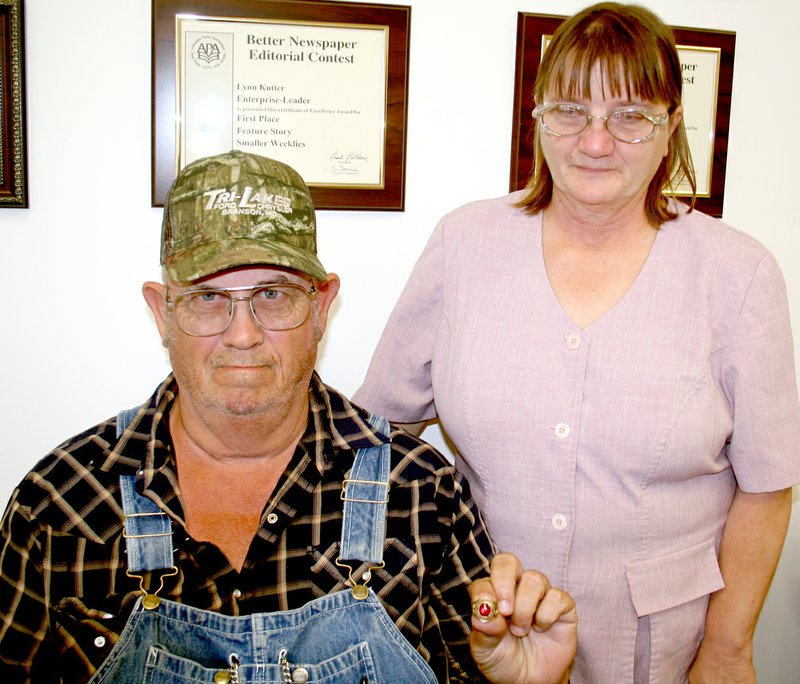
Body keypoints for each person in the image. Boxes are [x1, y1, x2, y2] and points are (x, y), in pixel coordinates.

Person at [0, 150, 577, 683]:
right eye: (206, 298)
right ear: (161, 311)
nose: (244, 335)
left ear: (322, 306)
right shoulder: (58, 505)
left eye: (274, 294)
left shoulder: (423, 494)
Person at [354, 3, 800, 683]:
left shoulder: (738, 276)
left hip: (662, 651)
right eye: (570, 110)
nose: (596, 142)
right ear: (536, 116)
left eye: (630, 116)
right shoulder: (463, 245)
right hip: (489, 630)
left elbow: (768, 487)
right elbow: (375, 434)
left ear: (671, 126)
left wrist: (728, 650)